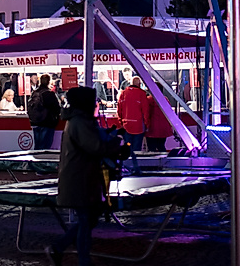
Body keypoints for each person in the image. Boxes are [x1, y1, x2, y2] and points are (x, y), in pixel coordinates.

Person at [45, 86, 123, 266]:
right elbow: (94, 146)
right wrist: (116, 146)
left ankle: (59, 248)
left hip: (81, 177)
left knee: (89, 218)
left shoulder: (78, 120)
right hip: (80, 179)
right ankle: (82, 260)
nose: (96, 104)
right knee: (86, 220)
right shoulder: (80, 121)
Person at [27, 74, 62, 149]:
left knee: (37, 146)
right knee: (45, 147)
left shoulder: (34, 93)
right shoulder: (49, 94)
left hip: (35, 122)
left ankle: (37, 159)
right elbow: (57, 108)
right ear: (49, 82)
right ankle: (42, 160)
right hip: (46, 122)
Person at [116, 76, 150, 153]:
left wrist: (121, 122)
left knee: (127, 148)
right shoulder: (142, 94)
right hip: (138, 127)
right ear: (139, 84)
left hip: (126, 126)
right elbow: (145, 111)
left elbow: (119, 110)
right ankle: (135, 164)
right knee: (136, 150)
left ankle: (127, 163)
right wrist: (147, 125)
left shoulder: (123, 93)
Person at [145, 85, 174, 152]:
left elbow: (146, 113)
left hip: (152, 128)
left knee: (151, 148)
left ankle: (153, 162)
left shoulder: (148, 100)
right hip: (163, 128)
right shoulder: (165, 100)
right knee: (161, 146)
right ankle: (165, 162)